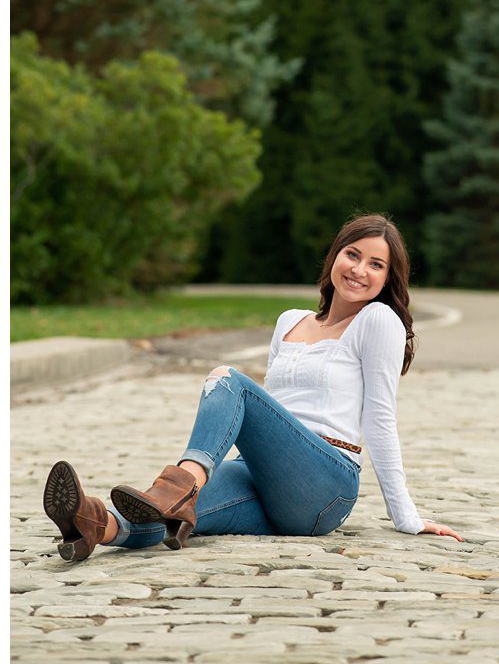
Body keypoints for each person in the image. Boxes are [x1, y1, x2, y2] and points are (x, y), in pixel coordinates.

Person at [41, 214, 462, 559]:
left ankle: (180, 483)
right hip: (265, 476)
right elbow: (273, 413)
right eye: (352, 254)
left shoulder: (377, 321)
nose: (359, 270)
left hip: (325, 485)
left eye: (376, 264)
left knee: (229, 381)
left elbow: (380, 417)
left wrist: (405, 515)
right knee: (176, 516)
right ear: (335, 255)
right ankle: (94, 523)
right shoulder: (289, 322)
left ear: (388, 278)